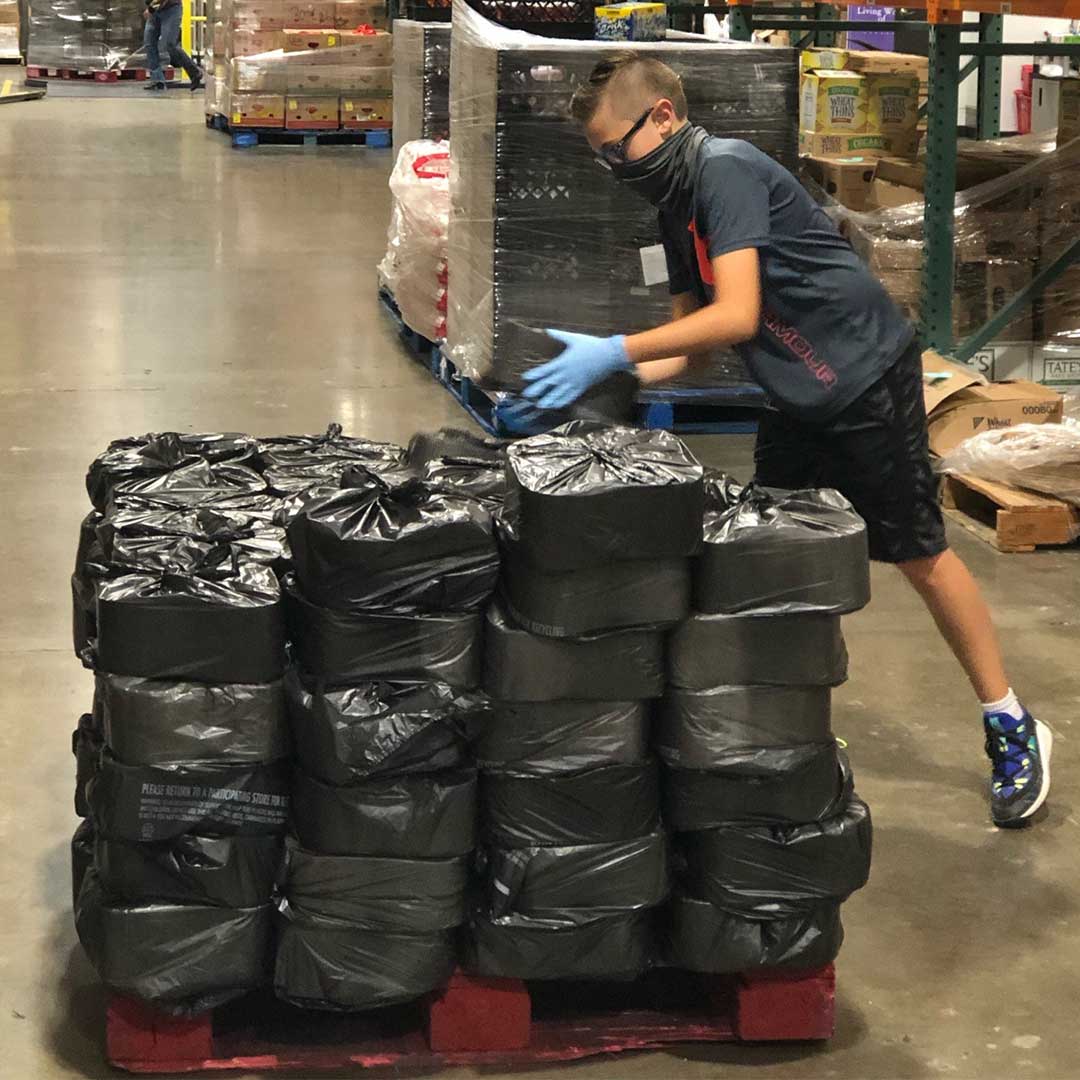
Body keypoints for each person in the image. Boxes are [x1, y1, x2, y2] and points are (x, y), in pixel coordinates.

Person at [523, 53, 1052, 828]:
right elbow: (690, 342)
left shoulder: (725, 172)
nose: (613, 167)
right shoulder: (673, 202)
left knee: (919, 554)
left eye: (617, 147)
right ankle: (771, 722)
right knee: (770, 552)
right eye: (601, 156)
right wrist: (594, 386)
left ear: (663, 117)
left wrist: (614, 349)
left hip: (863, 373)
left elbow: (736, 315)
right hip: (796, 389)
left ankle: (1010, 721)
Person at [142, 0, 204, 93]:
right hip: (156, 10)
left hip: (171, 9)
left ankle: (194, 72)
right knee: (149, 42)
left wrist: (150, 9)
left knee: (170, 44)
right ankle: (157, 80)